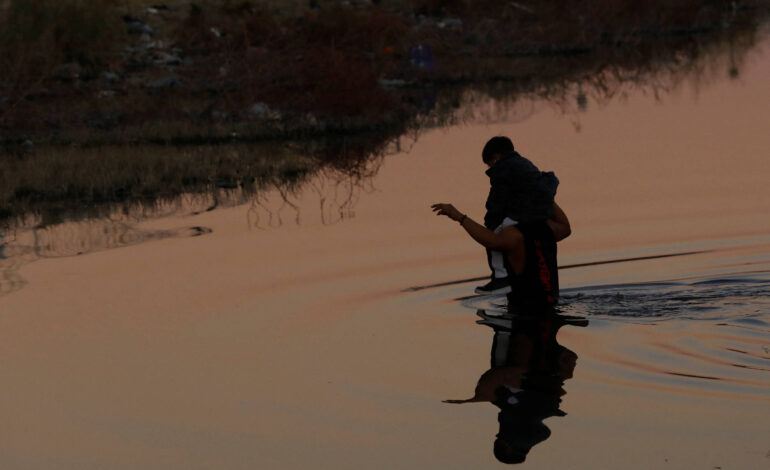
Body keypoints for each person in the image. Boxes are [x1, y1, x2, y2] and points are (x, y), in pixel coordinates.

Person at [431, 136, 571, 309]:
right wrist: (540, 191)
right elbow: (566, 228)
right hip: (552, 307)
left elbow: (491, 240)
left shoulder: (514, 236)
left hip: (525, 318)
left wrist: (459, 216)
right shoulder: (547, 228)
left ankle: (500, 280)